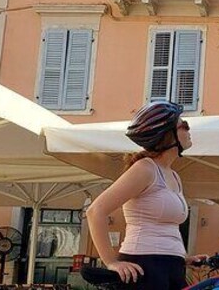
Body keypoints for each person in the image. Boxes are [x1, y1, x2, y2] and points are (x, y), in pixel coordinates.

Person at [86, 102, 206, 289]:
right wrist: (111, 262)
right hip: (144, 267)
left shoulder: (173, 175)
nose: (189, 130)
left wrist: (182, 258)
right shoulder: (145, 169)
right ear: (168, 135)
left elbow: (164, 227)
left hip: (172, 267)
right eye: (184, 125)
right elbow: (95, 211)